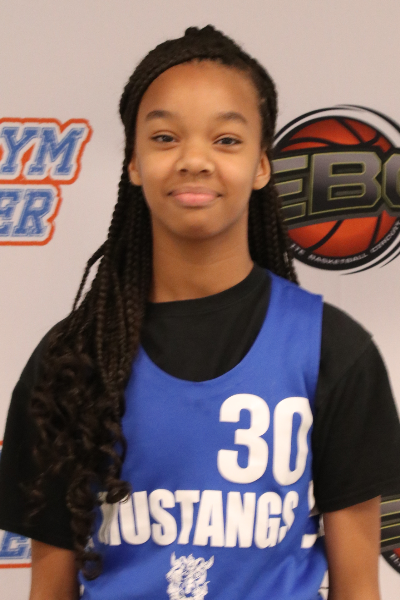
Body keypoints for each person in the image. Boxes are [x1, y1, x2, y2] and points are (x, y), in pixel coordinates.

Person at [0, 25, 399, 600]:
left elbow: (359, 587)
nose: (193, 160)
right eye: (164, 137)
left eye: (226, 140)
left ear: (262, 166)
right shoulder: (73, 358)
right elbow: (49, 589)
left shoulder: (333, 350)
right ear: (133, 163)